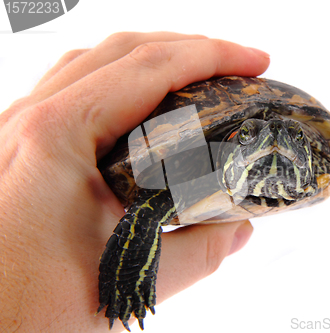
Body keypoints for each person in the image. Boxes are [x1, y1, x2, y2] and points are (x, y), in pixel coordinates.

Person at [0, 31, 270, 332]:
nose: (273, 139)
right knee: (149, 210)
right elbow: (147, 211)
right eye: (249, 136)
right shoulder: (192, 168)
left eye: (292, 137)